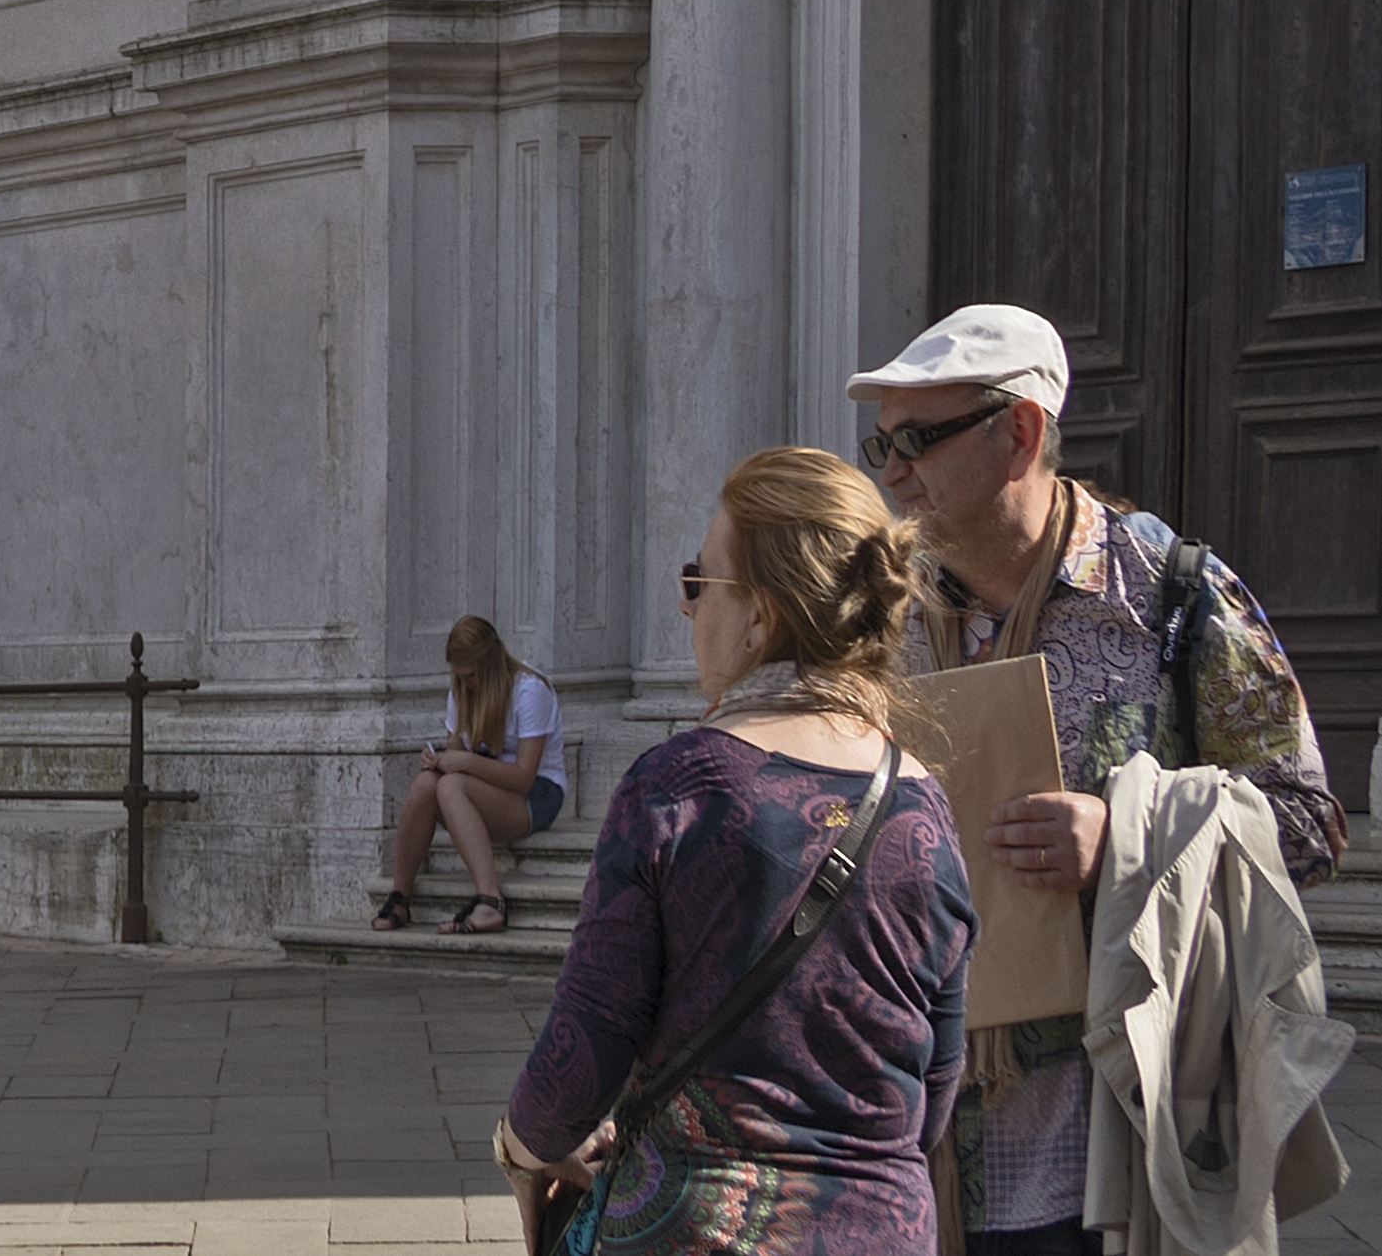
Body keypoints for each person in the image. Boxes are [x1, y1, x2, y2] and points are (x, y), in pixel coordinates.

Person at [848, 298, 1344, 1256]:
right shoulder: (880, 618)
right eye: (880, 449)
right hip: (913, 1132)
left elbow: (1309, 821)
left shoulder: (1167, 594)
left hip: (1108, 1133)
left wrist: (1126, 838)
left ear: (1019, 434)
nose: (892, 474)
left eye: (915, 440)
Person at [504, 447, 969, 1256]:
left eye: (698, 581)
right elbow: (934, 1087)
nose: (687, 611)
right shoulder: (922, 805)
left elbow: (585, 1048)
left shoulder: (678, 786)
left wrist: (520, 1147)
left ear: (758, 616)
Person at [374, 613, 571, 935]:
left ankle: (491, 902)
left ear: (490, 665)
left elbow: (524, 777)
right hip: (486, 787)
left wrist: (462, 763)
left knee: (452, 786)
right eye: (459, 676)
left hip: (538, 792)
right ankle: (399, 895)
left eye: (470, 676)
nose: (464, 684)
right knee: (427, 783)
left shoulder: (530, 690)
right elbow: (456, 751)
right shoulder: (462, 689)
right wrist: (439, 761)